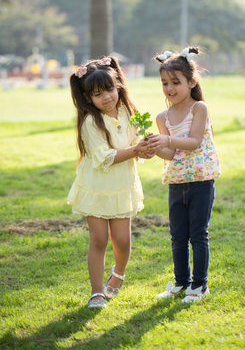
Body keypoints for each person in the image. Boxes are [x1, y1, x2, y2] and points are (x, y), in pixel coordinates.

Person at [67, 56, 151, 309]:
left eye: (110, 89)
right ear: (87, 98)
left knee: (123, 240)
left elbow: (140, 139)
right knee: (100, 240)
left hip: (121, 187)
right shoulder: (91, 122)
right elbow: (105, 157)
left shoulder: (128, 111)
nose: (106, 97)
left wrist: (147, 147)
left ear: (118, 87)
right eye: (97, 93)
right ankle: (96, 293)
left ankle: (118, 273)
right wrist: (137, 150)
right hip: (97, 188)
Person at [147, 47, 221, 303]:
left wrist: (166, 138)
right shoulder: (162, 117)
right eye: (164, 83)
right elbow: (171, 154)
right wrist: (154, 149)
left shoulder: (199, 108)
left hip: (201, 181)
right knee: (178, 236)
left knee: (198, 234)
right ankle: (181, 283)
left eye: (175, 82)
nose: (169, 88)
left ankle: (200, 286)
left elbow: (194, 141)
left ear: (191, 82)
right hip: (177, 181)